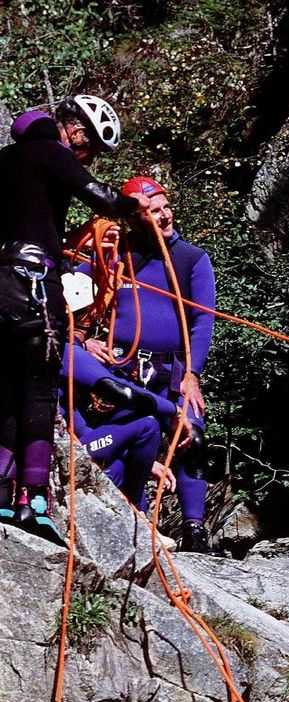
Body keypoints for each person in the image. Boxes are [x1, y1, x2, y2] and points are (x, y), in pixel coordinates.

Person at [0, 97, 147, 545]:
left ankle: (2, 493)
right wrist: (131, 206)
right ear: (77, 132)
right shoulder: (52, 153)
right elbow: (98, 196)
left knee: (4, 390)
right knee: (38, 391)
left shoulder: (5, 158)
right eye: (92, 149)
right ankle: (36, 501)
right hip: (32, 287)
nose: (87, 157)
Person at [79, 175, 217, 552]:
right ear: (135, 217)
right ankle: (131, 519)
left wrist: (192, 375)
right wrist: (83, 341)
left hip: (171, 368)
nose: (165, 215)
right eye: (154, 211)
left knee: (192, 435)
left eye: (166, 207)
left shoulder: (191, 259)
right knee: (127, 435)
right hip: (121, 365)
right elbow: (72, 299)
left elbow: (204, 320)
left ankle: (194, 531)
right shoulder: (113, 254)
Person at [60, 338, 178, 507]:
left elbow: (78, 427)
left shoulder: (60, 348)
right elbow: (119, 390)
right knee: (148, 426)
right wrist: (175, 410)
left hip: (69, 446)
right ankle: (135, 509)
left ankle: (135, 515)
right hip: (58, 451)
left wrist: (148, 462)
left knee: (124, 465)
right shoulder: (66, 351)